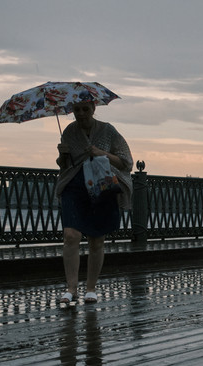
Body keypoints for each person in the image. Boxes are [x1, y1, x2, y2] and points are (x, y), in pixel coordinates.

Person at [56, 100, 133, 304]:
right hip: (75, 185)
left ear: (93, 110)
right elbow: (65, 167)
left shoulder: (108, 131)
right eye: (77, 110)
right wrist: (62, 155)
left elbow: (126, 162)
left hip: (101, 186)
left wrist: (102, 153)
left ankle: (91, 288)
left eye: (85, 109)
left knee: (96, 239)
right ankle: (71, 287)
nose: (80, 114)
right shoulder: (69, 132)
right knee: (71, 235)